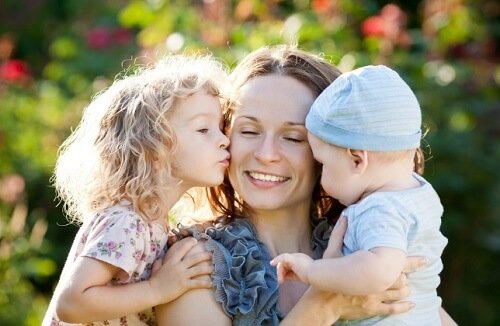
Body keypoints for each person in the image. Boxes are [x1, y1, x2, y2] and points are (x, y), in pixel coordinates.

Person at [155, 46, 451, 325]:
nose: (266, 154)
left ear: (336, 151)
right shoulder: (198, 265)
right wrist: (324, 306)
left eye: (293, 137)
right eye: (248, 131)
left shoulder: (369, 242)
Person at [42, 54, 231, 325]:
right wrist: (158, 289)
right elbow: (72, 302)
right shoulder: (129, 222)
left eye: (221, 128)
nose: (224, 140)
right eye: (203, 129)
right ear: (154, 147)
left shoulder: (151, 222)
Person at [271, 65, 448, 325]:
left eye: (323, 164)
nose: (320, 177)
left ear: (357, 160)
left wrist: (312, 271)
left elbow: (379, 272)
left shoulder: (379, 209)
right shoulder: (420, 192)